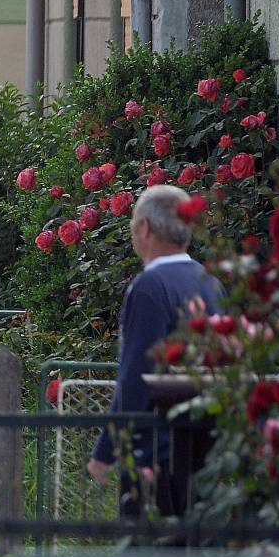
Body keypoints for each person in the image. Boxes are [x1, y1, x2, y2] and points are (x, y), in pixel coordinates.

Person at [86, 184, 223, 517]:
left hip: (155, 452)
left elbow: (137, 377)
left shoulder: (149, 287)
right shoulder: (210, 282)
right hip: (205, 446)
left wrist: (106, 449)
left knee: (146, 556)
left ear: (145, 227)